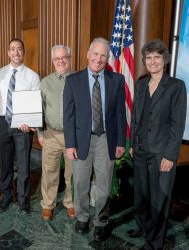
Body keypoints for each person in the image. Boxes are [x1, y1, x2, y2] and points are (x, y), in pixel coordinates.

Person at [63, 37, 126, 241]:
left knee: (105, 185)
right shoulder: (73, 80)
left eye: (103, 55)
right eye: (95, 54)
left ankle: (101, 221)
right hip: (82, 141)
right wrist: (70, 144)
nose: (98, 59)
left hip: (106, 139)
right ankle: (82, 218)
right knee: (80, 182)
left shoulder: (117, 80)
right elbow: (68, 115)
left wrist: (120, 143)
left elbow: (119, 113)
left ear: (107, 58)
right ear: (88, 54)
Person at [129, 39, 186, 250]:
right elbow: (136, 116)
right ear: (145, 61)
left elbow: (177, 124)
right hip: (141, 149)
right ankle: (143, 227)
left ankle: (155, 242)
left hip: (162, 154)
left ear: (164, 59)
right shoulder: (141, 84)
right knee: (141, 195)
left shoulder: (176, 86)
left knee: (159, 199)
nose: (152, 61)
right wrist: (133, 144)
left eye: (157, 57)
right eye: (149, 58)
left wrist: (171, 156)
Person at [0, 38, 40, 214]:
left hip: (23, 126)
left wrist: (31, 122)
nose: (16, 52)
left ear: (23, 51)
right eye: (12, 49)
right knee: (5, 163)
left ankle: (23, 200)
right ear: (8, 52)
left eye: (19, 49)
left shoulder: (32, 76)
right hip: (3, 123)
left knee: (23, 165)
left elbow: (35, 104)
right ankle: (6, 196)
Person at [38, 45, 75, 221]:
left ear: (70, 58)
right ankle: (48, 205)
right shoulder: (45, 82)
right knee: (49, 171)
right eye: (57, 59)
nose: (60, 61)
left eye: (64, 57)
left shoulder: (79, 79)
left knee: (72, 172)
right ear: (52, 61)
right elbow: (40, 110)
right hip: (51, 134)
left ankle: (71, 203)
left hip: (72, 136)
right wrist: (39, 133)